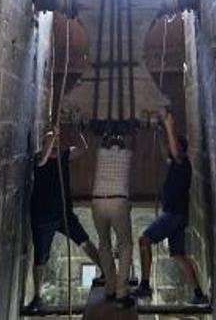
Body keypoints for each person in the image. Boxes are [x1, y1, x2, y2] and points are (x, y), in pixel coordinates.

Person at [131, 110, 209, 306]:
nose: (168, 149)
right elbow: (163, 151)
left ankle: (145, 284)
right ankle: (199, 293)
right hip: (179, 215)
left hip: (173, 215)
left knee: (144, 240)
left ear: (179, 149)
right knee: (178, 255)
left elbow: (173, 150)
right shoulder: (174, 164)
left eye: (171, 146)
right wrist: (158, 133)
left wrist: (168, 126)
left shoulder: (182, 162)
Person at [26, 129, 102, 312]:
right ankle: (37, 297)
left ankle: (107, 272)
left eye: (55, 141)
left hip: (63, 213)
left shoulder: (63, 155)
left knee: (84, 241)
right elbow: (43, 159)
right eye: (49, 141)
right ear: (44, 143)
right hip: (43, 216)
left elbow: (83, 148)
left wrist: (77, 129)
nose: (54, 144)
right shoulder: (38, 158)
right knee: (41, 256)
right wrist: (52, 135)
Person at [91, 130, 135, 307]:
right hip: (118, 201)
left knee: (104, 244)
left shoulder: (100, 154)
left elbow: (102, 142)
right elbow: (133, 141)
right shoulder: (127, 155)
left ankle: (110, 287)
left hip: (98, 201)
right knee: (125, 245)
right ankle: (121, 292)